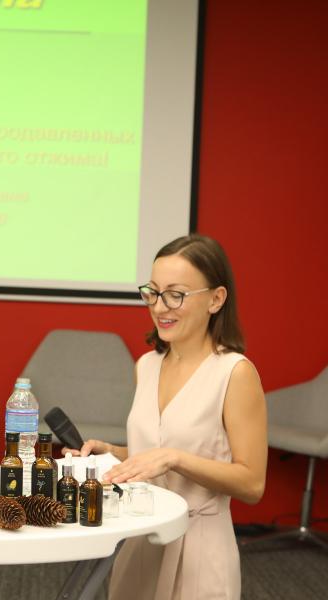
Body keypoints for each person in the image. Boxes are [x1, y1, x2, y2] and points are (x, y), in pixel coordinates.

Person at [66, 234, 267, 600]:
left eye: (176, 295)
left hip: (199, 547)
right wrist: (112, 452)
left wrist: (175, 458)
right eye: (153, 292)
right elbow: (155, 452)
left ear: (216, 299)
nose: (160, 307)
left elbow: (252, 484)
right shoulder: (146, 365)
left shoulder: (235, 373)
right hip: (141, 539)